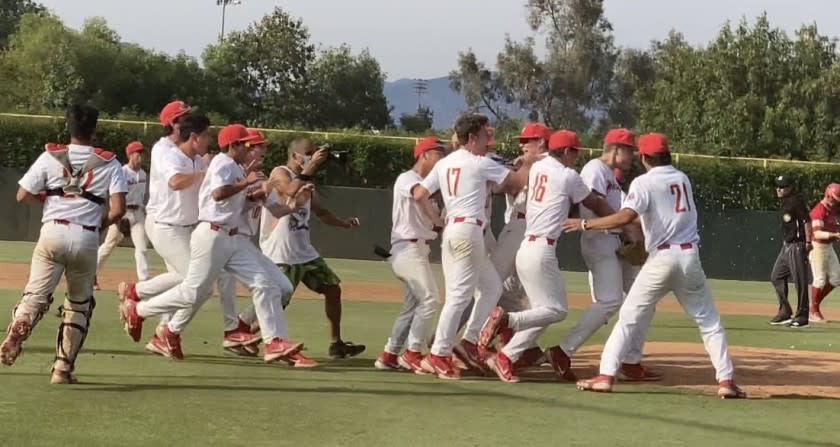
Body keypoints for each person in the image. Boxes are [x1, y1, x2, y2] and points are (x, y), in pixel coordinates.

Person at [564, 133, 746, 399]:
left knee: (628, 317)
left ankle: (605, 376)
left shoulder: (644, 182)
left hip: (661, 258)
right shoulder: (682, 178)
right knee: (709, 322)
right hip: (689, 257)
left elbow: (627, 216)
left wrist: (585, 224)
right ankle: (726, 380)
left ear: (646, 157)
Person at [120, 124, 306, 364]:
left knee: (265, 284)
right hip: (211, 234)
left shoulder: (237, 168)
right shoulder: (221, 162)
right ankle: (139, 310)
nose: (250, 149)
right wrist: (245, 184)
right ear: (234, 145)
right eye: (246, 145)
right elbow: (218, 194)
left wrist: (266, 198)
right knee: (193, 292)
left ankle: (273, 342)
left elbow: (237, 201)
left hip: (230, 237)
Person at [1, 104, 127, 384]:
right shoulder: (111, 163)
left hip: (52, 232)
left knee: (35, 295)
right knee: (79, 305)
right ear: (94, 131)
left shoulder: (50, 157)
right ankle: (62, 369)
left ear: (68, 129)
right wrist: (98, 224)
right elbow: (118, 209)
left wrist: (50, 200)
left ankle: (17, 331)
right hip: (85, 237)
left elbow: (23, 195)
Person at [478, 130, 613, 383]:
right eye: (575, 152)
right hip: (541, 249)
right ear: (566, 152)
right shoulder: (568, 175)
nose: (576, 158)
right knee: (557, 310)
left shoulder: (539, 168)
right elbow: (592, 203)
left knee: (543, 310)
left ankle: (507, 356)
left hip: (527, 245)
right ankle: (507, 319)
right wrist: (618, 220)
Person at [411, 113, 531, 379]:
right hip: (467, 231)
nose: (488, 138)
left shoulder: (445, 163)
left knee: (491, 287)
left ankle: (469, 341)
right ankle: (439, 353)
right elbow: (517, 182)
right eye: (485, 135)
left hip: (456, 229)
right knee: (459, 296)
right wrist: (529, 161)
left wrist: (438, 221)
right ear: (473, 137)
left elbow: (419, 194)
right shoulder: (478, 163)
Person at [556, 128, 659, 381]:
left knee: (644, 298)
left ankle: (631, 360)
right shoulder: (594, 169)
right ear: (616, 149)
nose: (633, 156)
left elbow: (624, 212)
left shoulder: (612, 178)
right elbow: (598, 207)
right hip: (598, 240)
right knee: (610, 301)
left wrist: (630, 234)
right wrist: (625, 228)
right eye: (630, 150)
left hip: (614, 242)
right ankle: (562, 351)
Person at [260, 138, 366, 359]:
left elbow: (321, 212)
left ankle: (336, 344)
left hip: (304, 252)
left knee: (332, 289)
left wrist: (343, 223)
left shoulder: (308, 181)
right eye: (308, 153)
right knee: (277, 301)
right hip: (282, 253)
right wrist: (312, 166)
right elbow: (290, 190)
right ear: (295, 156)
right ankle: (246, 332)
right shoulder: (279, 173)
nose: (312, 156)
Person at [374, 136, 447, 372]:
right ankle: (413, 352)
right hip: (407, 248)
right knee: (429, 299)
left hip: (418, 249)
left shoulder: (431, 187)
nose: (442, 159)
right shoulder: (408, 178)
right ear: (424, 155)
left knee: (412, 306)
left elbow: (431, 212)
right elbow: (419, 195)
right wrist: (438, 221)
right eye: (438, 154)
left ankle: (389, 354)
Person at [95, 141, 150, 289]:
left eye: (142, 153)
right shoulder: (122, 172)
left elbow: (141, 196)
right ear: (130, 155)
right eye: (138, 153)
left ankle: (144, 281)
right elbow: (115, 196)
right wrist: (118, 218)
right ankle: (91, 275)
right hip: (123, 213)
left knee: (142, 247)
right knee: (108, 246)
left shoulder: (143, 174)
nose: (141, 156)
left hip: (138, 213)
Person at [769, 175, 812, 326]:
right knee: (777, 276)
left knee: (799, 281)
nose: (779, 189)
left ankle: (802, 316)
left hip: (797, 245)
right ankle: (785, 311)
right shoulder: (785, 202)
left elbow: (807, 220)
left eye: (782, 186)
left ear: (790, 188)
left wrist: (808, 241)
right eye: (778, 186)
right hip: (786, 245)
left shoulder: (795, 201)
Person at [807, 183, 840, 323]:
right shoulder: (818, 210)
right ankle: (813, 311)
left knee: (836, 278)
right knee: (819, 280)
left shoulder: (832, 210)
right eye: (834, 199)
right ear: (827, 195)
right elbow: (817, 233)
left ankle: (813, 306)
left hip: (828, 246)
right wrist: (835, 235)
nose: (835, 202)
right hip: (818, 247)